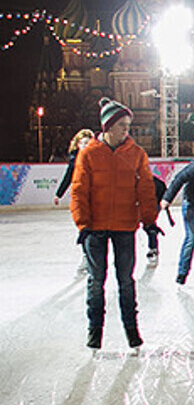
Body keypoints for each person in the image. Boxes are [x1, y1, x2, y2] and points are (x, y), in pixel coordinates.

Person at [70, 97, 158, 350]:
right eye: (122, 125)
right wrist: (83, 225)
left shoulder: (136, 154)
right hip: (95, 228)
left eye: (128, 125)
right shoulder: (88, 154)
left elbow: (145, 190)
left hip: (125, 227)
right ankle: (94, 330)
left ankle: (131, 329)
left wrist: (149, 221)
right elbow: (78, 191)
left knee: (126, 281)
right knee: (96, 281)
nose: (126, 130)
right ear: (107, 126)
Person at [161, 134, 194, 284]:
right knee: (191, 238)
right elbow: (180, 177)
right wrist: (167, 198)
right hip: (192, 203)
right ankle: (182, 272)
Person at [54, 128, 94, 274]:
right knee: (83, 227)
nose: (85, 146)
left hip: (94, 196)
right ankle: (86, 256)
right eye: (83, 143)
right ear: (77, 144)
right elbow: (68, 177)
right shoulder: (74, 160)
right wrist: (59, 194)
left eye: (88, 143)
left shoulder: (96, 157)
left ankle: (92, 257)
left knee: (94, 228)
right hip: (80, 197)